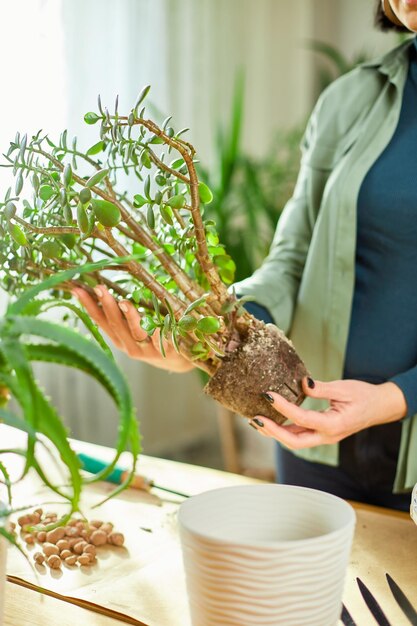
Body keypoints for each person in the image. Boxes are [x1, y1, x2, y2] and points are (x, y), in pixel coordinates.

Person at [74, 0, 417, 512]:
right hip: (314, 436)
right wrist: (213, 338)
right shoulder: (351, 99)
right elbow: (292, 258)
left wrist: (395, 397)